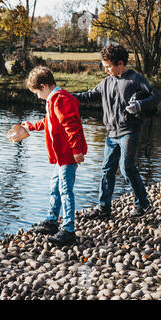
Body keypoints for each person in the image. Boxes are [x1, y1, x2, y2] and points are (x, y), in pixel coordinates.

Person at [71, 44, 160, 219]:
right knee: (107, 170)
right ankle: (104, 209)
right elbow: (88, 95)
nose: (106, 70)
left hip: (129, 131)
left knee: (127, 167)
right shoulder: (106, 82)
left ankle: (143, 204)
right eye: (104, 66)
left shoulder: (136, 79)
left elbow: (156, 96)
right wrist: (66, 96)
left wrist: (140, 105)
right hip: (111, 133)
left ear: (120, 63)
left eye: (108, 66)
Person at [18, 66, 87, 245]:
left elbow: (71, 125)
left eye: (36, 92)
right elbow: (49, 122)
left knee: (65, 189)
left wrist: (76, 149)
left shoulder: (60, 100)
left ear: (44, 86)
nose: (37, 96)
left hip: (68, 155)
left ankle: (69, 229)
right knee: (55, 185)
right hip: (61, 156)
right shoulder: (53, 100)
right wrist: (30, 126)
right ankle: (51, 221)